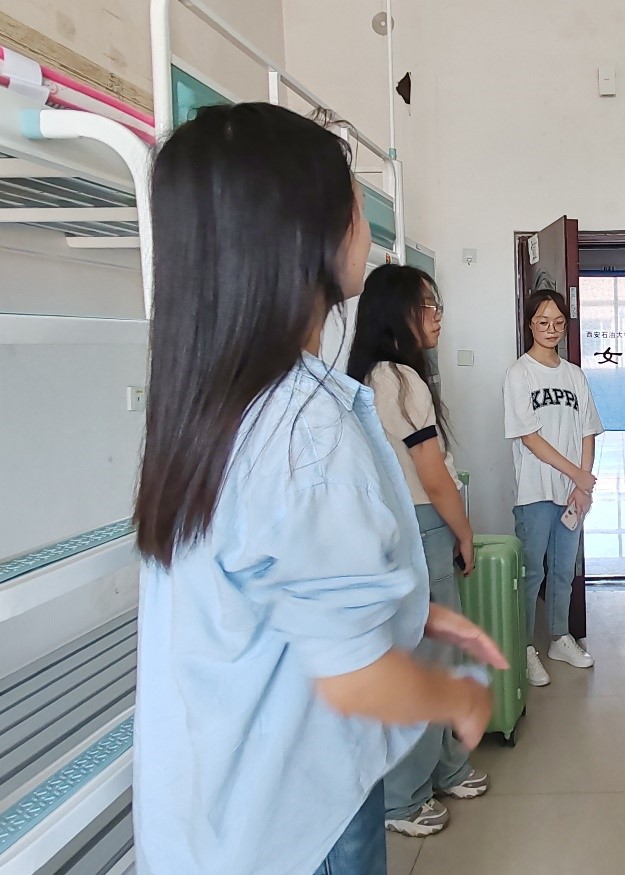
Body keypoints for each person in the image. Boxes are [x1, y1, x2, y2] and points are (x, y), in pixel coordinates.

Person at [130, 103, 506, 875]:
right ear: (308, 233)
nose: (365, 221)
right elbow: (356, 678)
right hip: (298, 823)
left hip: (210, 814)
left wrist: (416, 613)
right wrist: (458, 698)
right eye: (355, 200)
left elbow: (270, 579)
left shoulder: (211, 399)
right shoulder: (304, 429)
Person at [348, 264, 492, 838]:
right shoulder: (400, 380)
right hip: (422, 526)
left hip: (400, 527)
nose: (437, 317)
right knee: (429, 662)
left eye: (437, 306)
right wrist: (464, 531)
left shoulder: (374, 377)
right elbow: (433, 477)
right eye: (427, 306)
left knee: (439, 654)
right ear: (397, 314)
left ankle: (446, 767)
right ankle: (402, 799)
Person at [504, 289, 604, 687]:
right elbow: (529, 437)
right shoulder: (519, 373)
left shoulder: (574, 375)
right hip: (535, 491)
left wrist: (583, 483)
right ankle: (525, 648)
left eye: (559, 322)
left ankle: (560, 637)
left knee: (564, 570)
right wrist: (576, 475)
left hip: (572, 494)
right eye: (543, 322)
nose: (551, 329)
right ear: (530, 323)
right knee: (531, 573)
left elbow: (588, 430)